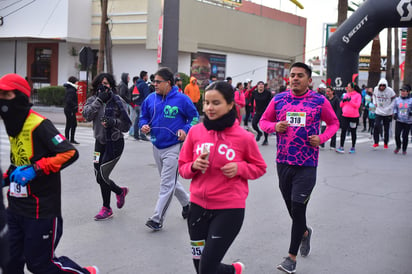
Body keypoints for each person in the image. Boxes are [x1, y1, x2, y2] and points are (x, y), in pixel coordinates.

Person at [0, 73, 99, 274]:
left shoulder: (39, 124)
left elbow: (70, 152)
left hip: (41, 210)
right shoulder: (13, 123)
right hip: (15, 207)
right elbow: (18, 161)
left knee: (39, 264)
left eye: (6, 95)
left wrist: (36, 169)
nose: (1, 99)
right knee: (9, 262)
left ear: (19, 96)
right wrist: (5, 178)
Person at [178, 81, 267, 274]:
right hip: (197, 208)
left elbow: (260, 168)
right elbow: (182, 168)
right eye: (207, 103)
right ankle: (232, 271)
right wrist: (193, 166)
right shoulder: (195, 132)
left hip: (229, 210)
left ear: (230, 105)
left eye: (216, 103)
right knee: (199, 267)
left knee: (207, 268)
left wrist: (240, 168)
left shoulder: (244, 137)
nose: (209, 108)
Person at [259, 62, 339, 274]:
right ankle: (304, 232)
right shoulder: (278, 100)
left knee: (298, 208)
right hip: (283, 162)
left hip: (307, 164)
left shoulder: (319, 101)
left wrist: (321, 138)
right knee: (291, 209)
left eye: (300, 75)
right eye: (293, 75)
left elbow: (333, 123)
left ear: (309, 80)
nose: (295, 78)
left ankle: (291, 258)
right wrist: (274, 127)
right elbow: (263, 121)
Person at [140, 67, 199, 231]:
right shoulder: (150, 99)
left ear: (169, 83)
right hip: (156, 144)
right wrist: (143, 125)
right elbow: (143, 116)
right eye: (154, 81)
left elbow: (194, 117)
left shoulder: (182, 99)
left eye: (158, 82)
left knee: (166, 184)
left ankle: (157, 219)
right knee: (169, 181)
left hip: (174, 146)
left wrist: (185, 130)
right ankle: (188, 204)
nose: (155, 84)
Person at [83, 72, 132, 221]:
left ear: (111, 85)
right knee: (99, 177)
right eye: (100, 84)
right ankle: (119, 191)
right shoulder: (93, 100)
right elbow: (86, 116)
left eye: (106, 84)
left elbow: (126, 126)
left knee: (103, 174)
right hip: (100, 143)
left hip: (115, 143)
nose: (103, 87)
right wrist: (99, 100)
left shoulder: (118, 101)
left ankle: (106, 208)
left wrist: (113, 122)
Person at [335, 82, 362, 154]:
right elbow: (341, 105)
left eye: (348, 87)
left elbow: (357, 105)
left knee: (353, 131)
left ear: (352, 88)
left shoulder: (357, 95)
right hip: (345, 115)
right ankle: (341, 146)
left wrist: (350, 101)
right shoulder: (346, 94)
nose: (347, 88)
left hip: (354, 116)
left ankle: (353, 147)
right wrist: (343, 101)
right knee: (343, 130)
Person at [372, 78, 396, 149]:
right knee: (376, 125)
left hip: (387, 112)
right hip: (378, 111)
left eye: (383, 86)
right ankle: (376, 142)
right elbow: (374, 96)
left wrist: (390, 107)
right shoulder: (376, 89)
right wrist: (375, 103)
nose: (382, 87)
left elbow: (394, 99)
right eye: (381, 86)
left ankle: (386, 142)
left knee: (386, 128)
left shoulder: (390, 91)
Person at [250, 81, 272, 145]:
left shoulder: (267, 93)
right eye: (259, 84)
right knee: (254, 124)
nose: (261, 86)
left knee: (264, 126)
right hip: (258, 111)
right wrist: (251, 108)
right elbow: (251, 100)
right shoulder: (254, 92)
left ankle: (266, 140)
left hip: (265, 112)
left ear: (263, 86)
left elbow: (270, 102)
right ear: (257, 86)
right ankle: (259, 133)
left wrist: (269, 110)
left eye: (262, 84)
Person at [393, 84, 412, 155]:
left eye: (404, 91)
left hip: (408, 121)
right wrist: (395, 113)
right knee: (397, 135)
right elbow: (395, 108)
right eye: (401, 91)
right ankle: (398, 146)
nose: (402, 92)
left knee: (405, 136)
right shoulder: (397, 99)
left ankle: (404, 149)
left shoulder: (411, 100)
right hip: (399, 120)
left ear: (408, 92)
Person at [134, 70, 151, 141]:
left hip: (136, 104)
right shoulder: (144, 85)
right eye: (147, 76)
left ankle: (136, 134)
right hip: (142, 105)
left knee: (137, 120)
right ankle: (142, 135)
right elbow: (147, 96)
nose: (147, 77)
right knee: (142, 120)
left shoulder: (136, 84)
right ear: (144, 77)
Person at [63, 76, 80, 144]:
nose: (77, 84)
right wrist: (75, 105)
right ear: (74, 82)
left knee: (73, 124)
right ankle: (68, 139)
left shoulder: (70, 89)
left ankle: (71, 139)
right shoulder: (71, 90)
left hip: (70, 110)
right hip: (70, 110)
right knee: (70, 124)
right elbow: (69, 100)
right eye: (76, 82)